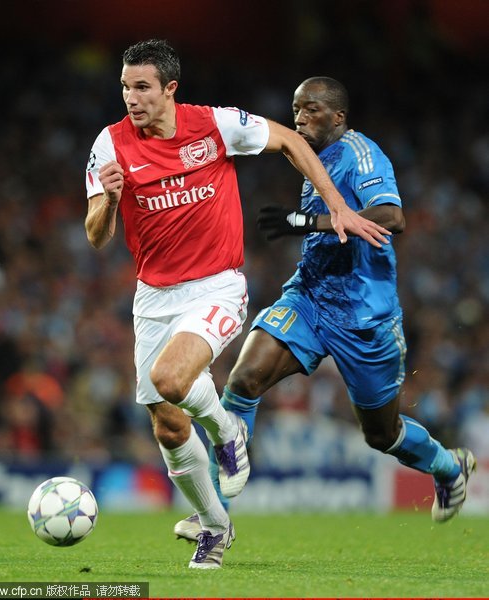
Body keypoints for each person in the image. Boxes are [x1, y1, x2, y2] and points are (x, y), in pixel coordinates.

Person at [84, 42, 390, 570]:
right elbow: (96, 236)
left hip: (216, 285)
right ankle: (216, 527)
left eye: (142, 88)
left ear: (169, 89)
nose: (131, 99)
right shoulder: (109, 144)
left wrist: (338, 206)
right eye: (125, 88)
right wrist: (109, 199)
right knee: (168, 425)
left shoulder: (215, 125)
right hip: (153, 295)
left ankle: (228, 431)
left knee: (173, 380)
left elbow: (291, 140)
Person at [174, 76, 476, 542]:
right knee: (244, 378)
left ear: (338, 116)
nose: (299, 118)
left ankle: (446, 464)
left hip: (364, 317)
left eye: (311, 110)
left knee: (381, 433)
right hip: (311, 297)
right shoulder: (312, 157)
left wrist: (306, 221)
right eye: (296, 109)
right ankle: (215, 515)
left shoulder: (362, 155)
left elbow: (392, 217)